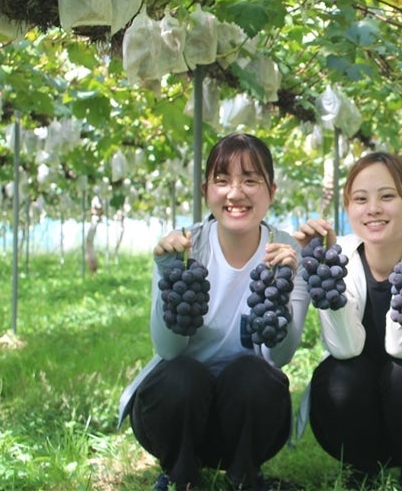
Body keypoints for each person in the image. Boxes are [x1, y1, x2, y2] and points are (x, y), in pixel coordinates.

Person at [118, 133, 301, 491]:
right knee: (181, 374)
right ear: (206, 191)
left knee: (255, 374)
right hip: (179, 417)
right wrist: (168, 275)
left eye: (250, 180)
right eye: (222, 180)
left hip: (244, 420)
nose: (235, 193)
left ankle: (245, 475)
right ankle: (180, 475)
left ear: (271, 191)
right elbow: (168, 350)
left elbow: (281, 355)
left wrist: (285, 287)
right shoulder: (186, 248)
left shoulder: (286, 250)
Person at [288, 152, 402, 491]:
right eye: (361, 199)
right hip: (351, 420)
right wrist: (325, 268)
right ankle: (361, 470)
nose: (373, 209)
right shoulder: (336, 253)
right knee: (344, 373)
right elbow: (344, 347)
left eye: (386, 196)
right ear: (347, 209)